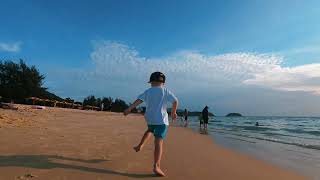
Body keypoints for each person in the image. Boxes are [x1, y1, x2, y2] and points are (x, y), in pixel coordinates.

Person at [123, 72, 178, 177]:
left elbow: (138, 101)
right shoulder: (165, 91)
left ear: (151, 82)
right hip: (161, 121)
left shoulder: (148, 91)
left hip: (150, 119)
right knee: (158, 141)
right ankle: (156, 166)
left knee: (149, 130)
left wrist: (129, 109)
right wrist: (173, 112)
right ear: (163, 83)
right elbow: (175, 101)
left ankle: (140, 145)